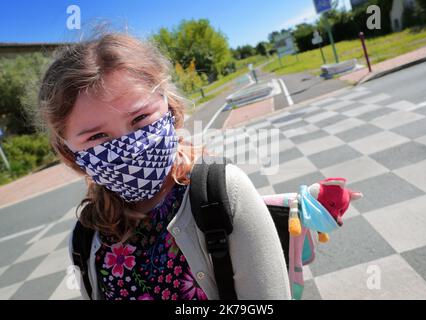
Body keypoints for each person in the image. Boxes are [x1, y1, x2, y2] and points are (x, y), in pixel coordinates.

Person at [37, 32, 291, 300]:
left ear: (169, 105)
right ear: (68, 151)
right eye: (97, 137)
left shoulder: (222, 193)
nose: (130, 148)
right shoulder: (86, 238)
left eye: (140, 118)